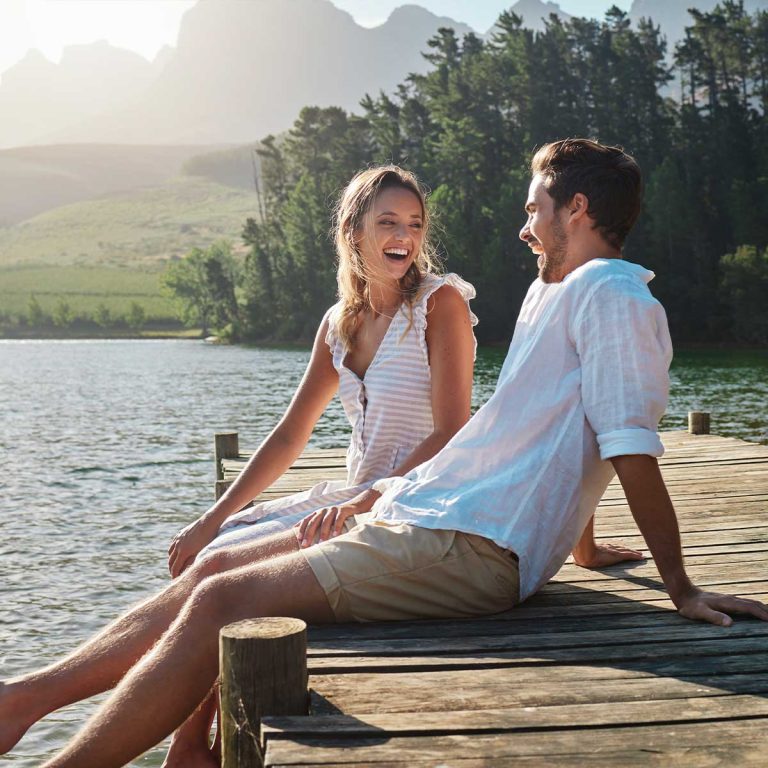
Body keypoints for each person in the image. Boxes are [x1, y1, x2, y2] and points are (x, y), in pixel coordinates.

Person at [2, 139, 766, 768]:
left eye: (534, 207)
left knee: (221, 600)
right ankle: (33, 701)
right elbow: (550, 434)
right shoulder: (553, 293)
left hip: (474, 547)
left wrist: (682, 588)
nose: (523, 225)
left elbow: (627, 441)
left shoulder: (615, 298)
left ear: (577, 209)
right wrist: (583, 544)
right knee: (217, 572)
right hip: (435, 513)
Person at [162, 163, 477, 764]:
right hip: (353, 493)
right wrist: (213, 514)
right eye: (388, 222)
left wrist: (368, 498)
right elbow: (289, 436)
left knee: (227, 571)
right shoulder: (340, 322)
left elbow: (451, 429)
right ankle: (190, 738)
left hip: (413, 500)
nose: (403, 237)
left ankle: (186, 747)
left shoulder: (441, 305)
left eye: (414, 224)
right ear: (353, 230)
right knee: (210, 548)